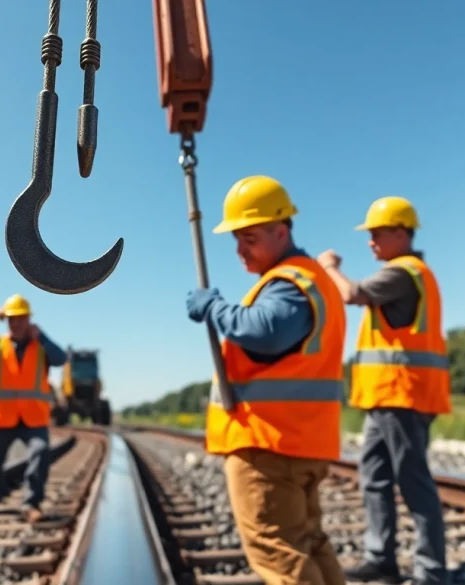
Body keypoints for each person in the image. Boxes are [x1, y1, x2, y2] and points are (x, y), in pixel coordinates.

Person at [186, 175, 348, 585]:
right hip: (299, 441)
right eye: (236, 240)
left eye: (250, 238)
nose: (240, 250)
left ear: (281, 230)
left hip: (270, 446)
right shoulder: (313, 280)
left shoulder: (291, 283)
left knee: (280, 556)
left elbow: (264, 330)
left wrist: (214, 308)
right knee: (309, 543)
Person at [317, 196, 451, 585]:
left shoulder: (404, 273)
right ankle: (382, 560)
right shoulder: (407, 272)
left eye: (376, 233)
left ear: (400, 232)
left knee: (413, 482)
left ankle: (431, 572)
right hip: (384, 398)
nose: (370, 241)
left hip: (403, 396)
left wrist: (329, 268)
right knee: (373, 475)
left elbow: (351, 294)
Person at [0, 293, 68, 523]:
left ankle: (31, 504)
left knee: (39, 452)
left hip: (33, 418)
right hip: (2, 416)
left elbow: (61, 359)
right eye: (12, 319)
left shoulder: (41, 347)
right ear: (6, 321)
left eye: (21, 318)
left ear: (29, 320)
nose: (17, 323)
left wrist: (43, 336)